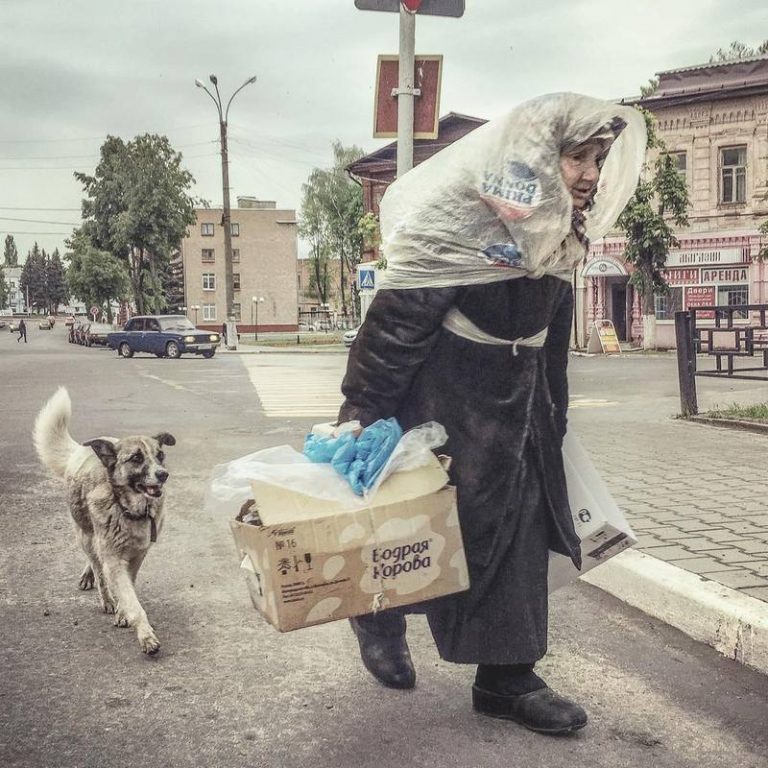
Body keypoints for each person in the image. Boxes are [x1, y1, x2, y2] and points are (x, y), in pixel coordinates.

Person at [336, 93, 646, 736]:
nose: (591, 173)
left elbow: (551, 339)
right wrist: (363, 413)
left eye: (598, 158)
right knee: (416, 522)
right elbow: (394, 328)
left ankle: (507, 681)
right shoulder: (455, 220)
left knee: (517, 539)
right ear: (535, 155)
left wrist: (553, 419)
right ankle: (378, 612)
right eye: (577, 156)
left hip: (517, 413)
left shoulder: (558, 233)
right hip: (439, 406)